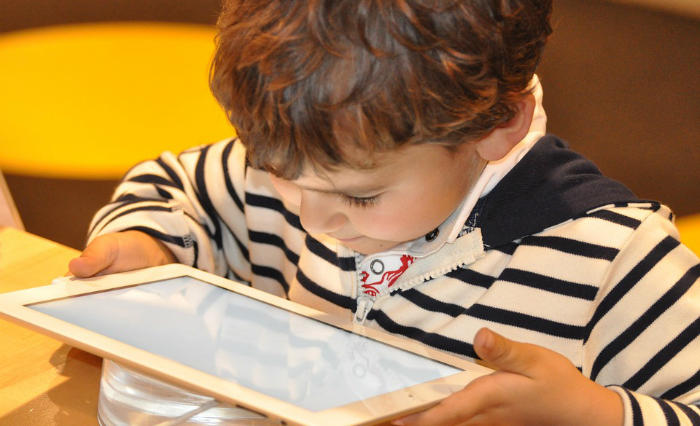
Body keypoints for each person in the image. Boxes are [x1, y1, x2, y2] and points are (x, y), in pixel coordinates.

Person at [68, 0, 700, 424]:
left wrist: (596, 414)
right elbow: (178, 188)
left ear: (498, 123)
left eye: (361, 198)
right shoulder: (319, 161)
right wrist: (146, 243)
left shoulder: (614, 259)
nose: (313, 220)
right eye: (278, 174)